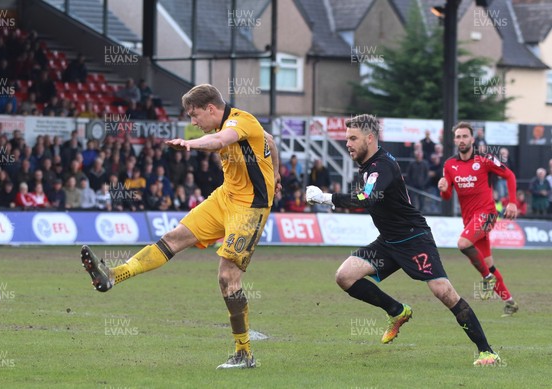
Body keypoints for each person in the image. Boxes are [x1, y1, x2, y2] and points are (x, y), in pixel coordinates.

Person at [80, 84, 280, 369]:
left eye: (194, 115)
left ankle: (244, 353)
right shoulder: (240, 126)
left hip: (250, 208)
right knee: (173, 238)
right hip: (226, 196)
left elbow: (220, 140)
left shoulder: (240, 121)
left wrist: (190, 144)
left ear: (211, 108)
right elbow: (269, 141)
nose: (193, 122)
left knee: (227, 277)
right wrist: (277, 173)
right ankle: (113, 275)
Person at [306, 114, 500, 366]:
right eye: (347, 139)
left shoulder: (382, 165)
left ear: (370, 138)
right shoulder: (368, 164)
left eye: (353, 138)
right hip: (388, 241)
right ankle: (397, 311)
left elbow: (369, 199)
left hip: (414, 238)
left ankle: (487, 352)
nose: (348, 144)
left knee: (444, 292)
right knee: (344, 276)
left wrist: (326, 198)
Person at [438, 122, 519, 317]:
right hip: (470, 220)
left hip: (487, 214)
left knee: (463, 243)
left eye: (465, 136)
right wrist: (443, 189)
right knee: (489, 264)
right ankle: (510, 302)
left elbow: (509, 175)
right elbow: (448, 196)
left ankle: (487, 278)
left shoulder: (485, 160)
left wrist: (513, 202)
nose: (462, 140)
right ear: (454, 140)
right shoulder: (449, 165)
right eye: (458, 137)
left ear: (472, 139)